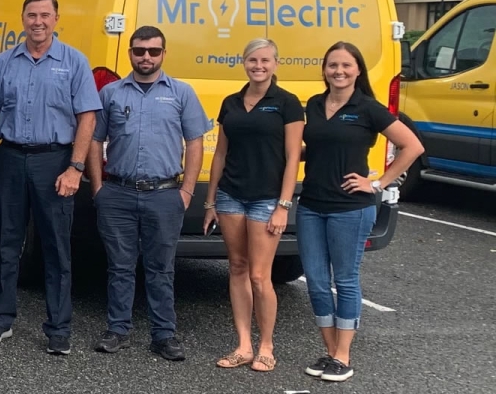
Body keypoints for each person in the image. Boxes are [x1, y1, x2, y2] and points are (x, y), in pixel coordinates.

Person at [0, 0, 101, 355]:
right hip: (11, 159)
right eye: (32, 15)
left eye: (45, 15)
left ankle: (58, 328)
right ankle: (0, 319)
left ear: (56, 19)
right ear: (23, 19)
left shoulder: (74, 62)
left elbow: (88, 118)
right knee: (4, 244)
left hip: (55, 162)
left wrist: (75, 168)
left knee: (56, 248)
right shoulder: (4, 63)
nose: (38, 22)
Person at [298, 42, 422, 383]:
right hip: (311, 205)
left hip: (351, 209)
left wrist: (378, 183)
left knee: (346, 279)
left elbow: (413, 146)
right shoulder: (315, 104)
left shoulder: (368, 108)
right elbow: (316, 148)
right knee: (317, 283)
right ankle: (329, 351)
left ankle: (343, 355)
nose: (338, 71)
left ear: (358, 71)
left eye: (346, 66)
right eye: (332, 65)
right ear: (324, 69)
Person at [85, 26, 208, 362]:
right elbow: (94, 140)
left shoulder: (182, 93)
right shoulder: (111, 94)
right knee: (119, 267)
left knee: (161, 268)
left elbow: (195, 142)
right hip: (118, 193)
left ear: (163, 54)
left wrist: (186, 190)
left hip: (165, 194)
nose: (146, 57)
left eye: (153, 51)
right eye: (140, 51)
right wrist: (97, 187)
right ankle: (118, 330)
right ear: (130, 53)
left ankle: (164, 335)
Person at [201, 38, 303, 373]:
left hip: (267, 199)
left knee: (260, 276)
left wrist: (284, 205)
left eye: (265, 61)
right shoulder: (231, 103)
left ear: (276, 64)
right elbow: (220, 154)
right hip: (231, 196)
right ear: (243, 62)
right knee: (238, 268)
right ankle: (243, 345)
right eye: (252, 60)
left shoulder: (287, 103)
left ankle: (266, 346)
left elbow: (293, 158)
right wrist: (211, 200)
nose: (258, 66)